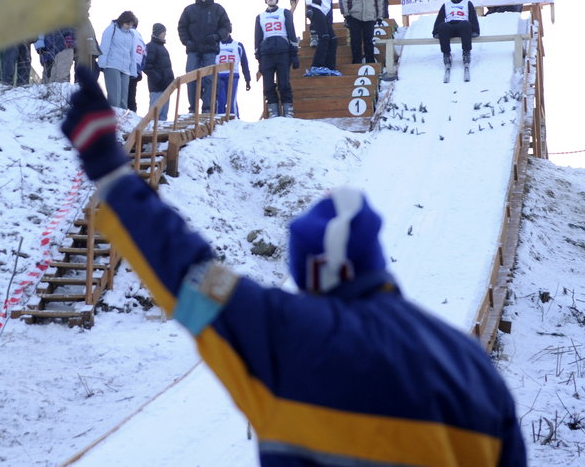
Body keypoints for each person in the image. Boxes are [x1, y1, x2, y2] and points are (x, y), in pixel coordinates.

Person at [59, 68, 527, 466]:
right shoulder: (470, 369)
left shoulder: (279, 331)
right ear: (372, 260)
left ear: (306, 272)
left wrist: (111, 169)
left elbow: (188, 275)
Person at [177, 0, 232, 113]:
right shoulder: (189, 10)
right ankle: (193, 109)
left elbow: (226, 26)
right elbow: (181, 27)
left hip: (210, 49)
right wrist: (186, 41)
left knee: (209, 78)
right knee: (191, 78)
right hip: (193, 49)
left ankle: (207, 108)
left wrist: (217, 36)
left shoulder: (218, 9)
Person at [254, 0, 299, 118]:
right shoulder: (260, 17)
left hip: (282, 52)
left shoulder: (285, 13)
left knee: (284, 83)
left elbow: (291, 33)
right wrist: (259, 58)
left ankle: (287, 110)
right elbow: (257, 38)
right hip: (267, 54)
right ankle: (273, 110)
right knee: (268, 85)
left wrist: (294, 54)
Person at [306, 0, 355, 76]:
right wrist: (308, 7)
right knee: (324, 37)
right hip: (314, 8)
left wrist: (327, 16)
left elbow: (327, 1)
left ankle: (329, 67)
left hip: (323, 12)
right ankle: (316, 66)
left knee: (333, 39)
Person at [339, 0, 382, 64]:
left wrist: (380, 16)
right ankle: (356, 63)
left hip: (370, 16)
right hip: (354, 16)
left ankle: (370, 63)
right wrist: (346, 14)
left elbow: (379, 0)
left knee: (369, 41)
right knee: (355, 41)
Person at [433, 0, 480, 69]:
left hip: (462, 27)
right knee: (443, 26)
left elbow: (472, 17)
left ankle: (466, 52)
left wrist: (475, 30)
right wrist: (436, 31)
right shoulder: (446, 5)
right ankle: (446, 54)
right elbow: (440, 18)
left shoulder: (467, 3)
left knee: (465, 24)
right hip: (450, 27)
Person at [98, 11, 138, 109]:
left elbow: (132, 54)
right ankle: (112, 121)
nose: (129, 26)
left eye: (131, 24)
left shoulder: (131, 35)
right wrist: (102, 64)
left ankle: (123, 122)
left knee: (124, 100)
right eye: (127, 24)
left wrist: (133, 71)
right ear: (122, 21)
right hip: (112, 65)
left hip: (125, 69)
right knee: (114, 99)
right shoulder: (112, 29)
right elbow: (104, 46)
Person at [143, 23, 175, 121]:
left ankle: (160, 135)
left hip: (166, 85)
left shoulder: (162, 48)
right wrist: (158, 79)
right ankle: (150, 133)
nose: (164, 34)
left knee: (163, 115)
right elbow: (146, 66)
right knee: (154, 113)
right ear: (157, 32)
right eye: (163, 32)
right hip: (157, 86)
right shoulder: (151, 46)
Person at [214, 30, 250, 117]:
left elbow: (244, 62)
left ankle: (234, 119)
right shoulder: (216, 45)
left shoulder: (238, 45)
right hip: (219, 76)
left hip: (233, 75)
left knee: (231, 100)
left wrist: (247, 79)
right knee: (220, 100)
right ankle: (220, 121)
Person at [73, 0, 101, 79]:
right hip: (83, 51)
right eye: (89, 3)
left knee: (94, 71)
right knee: (83, 76)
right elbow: (73, 32)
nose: (90, 5)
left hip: (90, 51)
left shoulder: (85, 17)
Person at [126, 22, 148, 112]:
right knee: (132, 94)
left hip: (128, 67)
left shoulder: (129, 33)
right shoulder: (140, 37)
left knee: (124, 93)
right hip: (137, 68)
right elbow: (145, 54)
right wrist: (140, 68)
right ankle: (133, 113)